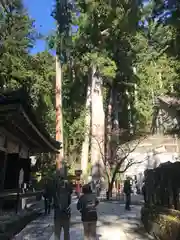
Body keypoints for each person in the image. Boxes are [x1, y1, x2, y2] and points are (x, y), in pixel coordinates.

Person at [52, 170, 73, 240]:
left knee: (57, 233)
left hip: (57, 215)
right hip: (66, 215)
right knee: (66, 233)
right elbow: (71, 191)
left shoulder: (55, 191)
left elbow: (53, 203)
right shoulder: (67, 191)